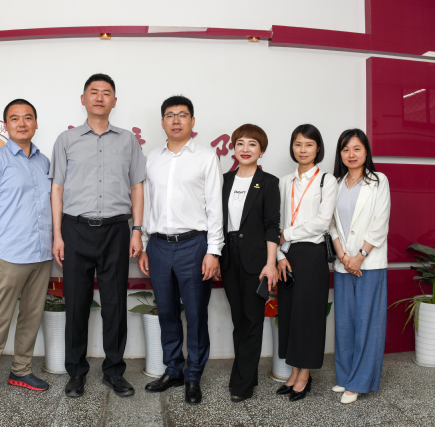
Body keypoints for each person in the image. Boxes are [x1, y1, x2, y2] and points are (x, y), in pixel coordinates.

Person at [49, 74, 146, 398]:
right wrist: (58, 234)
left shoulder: (128, 140)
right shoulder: (67, 140)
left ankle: (114, 372)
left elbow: (137, 187)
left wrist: (136, 230)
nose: (100, 98)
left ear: (114, 101)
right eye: (94, 92)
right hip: (75, 230)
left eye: (106, 93)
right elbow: (57, 189)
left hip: (117, 231)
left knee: (114, 305)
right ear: (83, 99)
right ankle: (76, 373)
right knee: (76, 305)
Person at [138, 96, 223, 405]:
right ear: (162, 121)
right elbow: (146, 204)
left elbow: (215, 207)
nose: (176, 120)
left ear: (192, 121)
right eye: (170, 115)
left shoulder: (206, 157)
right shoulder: (151, 159)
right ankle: (173, 369)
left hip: (194, 246)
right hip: (159, 246)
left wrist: (213, 251)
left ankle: (193, 375)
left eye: (182, 115)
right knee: (167, 312)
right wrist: (144, 245)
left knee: (197, 314)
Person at [0, 99, 54, 404]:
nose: (22, 123)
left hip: (42, 254)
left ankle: (21, 370)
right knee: (0, 318)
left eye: (28, 117)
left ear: (36, 123)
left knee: (31, 316)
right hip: (10, 255)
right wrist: (3, 237)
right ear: (6, 125)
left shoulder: (44, 162)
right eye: (15, 118)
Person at [276, 124, 338, 401]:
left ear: (318, 148)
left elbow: (322, 223)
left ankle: (305, 375)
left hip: (312, 255)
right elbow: (277, 221)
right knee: (289, 314)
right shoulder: (284, 181)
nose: (303, 150)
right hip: (287, 255)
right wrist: (279, 256)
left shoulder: (327, 180)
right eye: (298, 144)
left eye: (309, 144)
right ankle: (293, 371)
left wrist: (287, 234)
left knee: (309, 315)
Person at [329, 129, 390, 404]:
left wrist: (360, 256)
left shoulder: (378, 181)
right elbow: (331, 224)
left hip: (369, 263)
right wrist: (344, 256)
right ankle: (345, 377)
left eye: (356, 149)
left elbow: (380, 223)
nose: (351, 154)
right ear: (340, 154)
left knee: (367, 323)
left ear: (366, 151)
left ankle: (359, 382)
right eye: (345, 150)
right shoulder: (335, 183)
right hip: (344, 263)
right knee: (344, 323)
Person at [220, 124, 280, 402]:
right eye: (240, 143)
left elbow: (272, 226)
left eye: (252, 144)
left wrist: (271, 263)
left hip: (257, 260)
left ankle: (242, 384)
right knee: (238, 319)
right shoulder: (223, 181)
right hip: (228, 257)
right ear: (233, 148)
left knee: (252, 320)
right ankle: (247, 374)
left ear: (262, 150)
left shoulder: (268, 182)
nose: (245, 149)